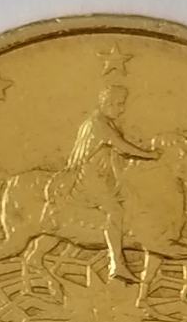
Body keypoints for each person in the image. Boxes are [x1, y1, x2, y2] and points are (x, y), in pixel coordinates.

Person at [49, 85, 158, 283]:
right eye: (118, 104)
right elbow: (122, 146)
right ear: (106, 103)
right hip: (91, 179)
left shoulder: (105, 122)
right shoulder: (98, 123)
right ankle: (117, 264)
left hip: (104, 178)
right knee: (115, 211)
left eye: (122, 104)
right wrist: (151, 155)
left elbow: (120, 151)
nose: (121, 109)